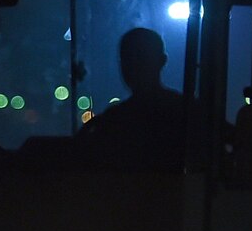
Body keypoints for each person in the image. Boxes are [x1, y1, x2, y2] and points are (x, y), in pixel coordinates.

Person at [79, 27, 191, 170]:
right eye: (128, 59)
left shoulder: (112, 121)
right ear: (162, 61)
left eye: (141, 57)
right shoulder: (187, 110)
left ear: (161, 61)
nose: (133, 65)